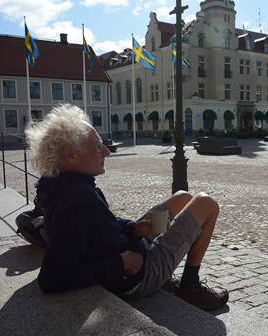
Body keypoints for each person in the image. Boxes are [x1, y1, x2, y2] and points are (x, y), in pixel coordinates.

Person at [25, 104, 228, 311]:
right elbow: (52, 278)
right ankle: (189, 287)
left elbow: (100, 226)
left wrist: (134, 228)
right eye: (97, 147)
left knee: (183, 197)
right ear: (71, 154)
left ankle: (172, 276)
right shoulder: (78, 198)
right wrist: (119, 264)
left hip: (129, 251)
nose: (106, 152)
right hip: (135, 277)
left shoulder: (63, 185)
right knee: (207, 203)